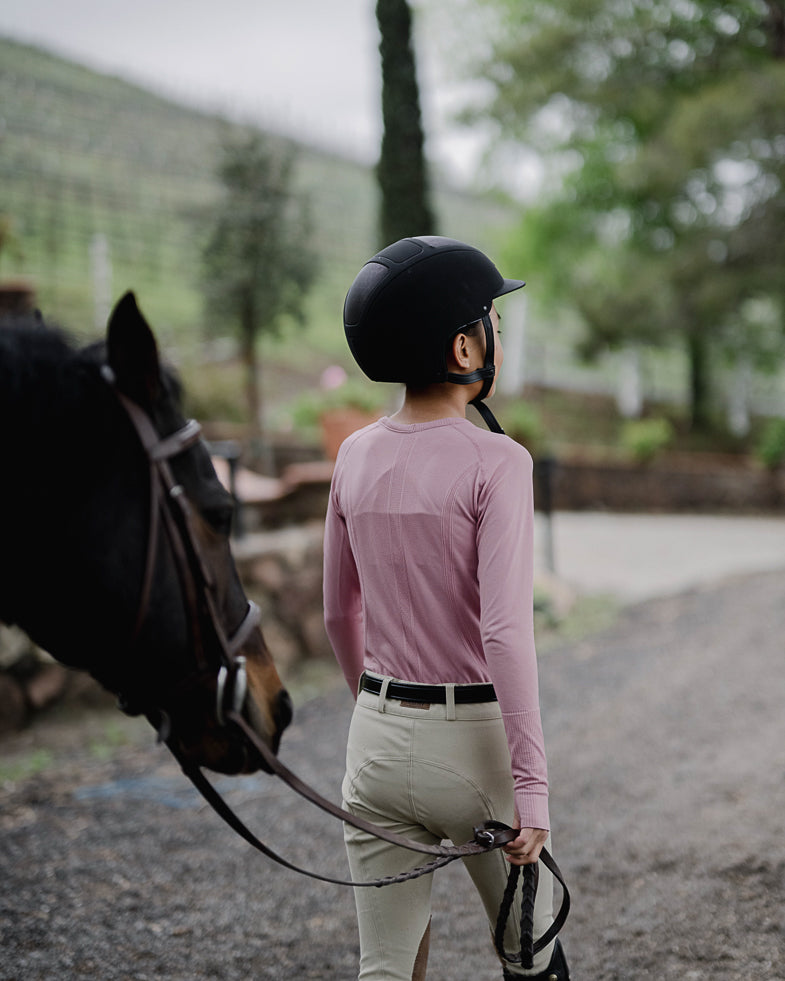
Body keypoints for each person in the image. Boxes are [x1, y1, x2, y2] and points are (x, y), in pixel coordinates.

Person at [323, 236, 570, 981]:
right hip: (473, 751)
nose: (495, 328)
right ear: (465, 347)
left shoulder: (354, 455)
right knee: (532, 955)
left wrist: (380, 713)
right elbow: (503, 629)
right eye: (489, 316)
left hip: (374, 741)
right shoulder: (498, 461)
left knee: (386, 966)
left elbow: (340, 615)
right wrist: (530, 786)